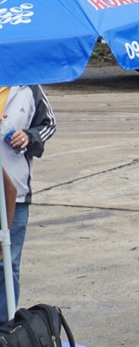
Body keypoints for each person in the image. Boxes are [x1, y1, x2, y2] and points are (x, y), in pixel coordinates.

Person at [0, 85, 56, 323]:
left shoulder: (29, 84)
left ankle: (6, 328)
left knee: (8, 265)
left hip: (16, 192)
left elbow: (48, 124)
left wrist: (29, 136)